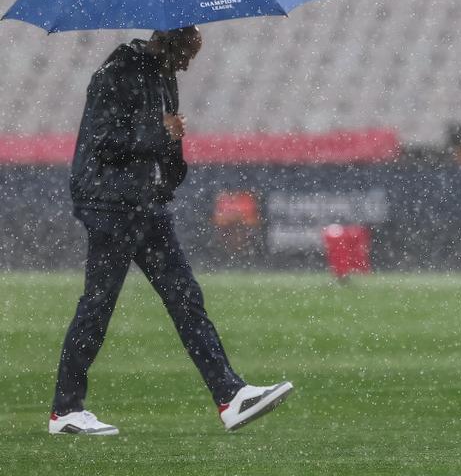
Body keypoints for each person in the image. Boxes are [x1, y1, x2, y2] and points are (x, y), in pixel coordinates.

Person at [49, 27, 292, 436]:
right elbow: (104, 141)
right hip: (110, 204)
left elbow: (159, 146)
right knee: (98, 304)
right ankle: (65, 411)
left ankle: (230, 396)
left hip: (143, 202)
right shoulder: (116, 72)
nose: (187, 65)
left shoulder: (163, 77)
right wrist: (162, 133)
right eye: (186, 55)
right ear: (168, 44)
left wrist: (170, 163)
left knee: (185, 298)